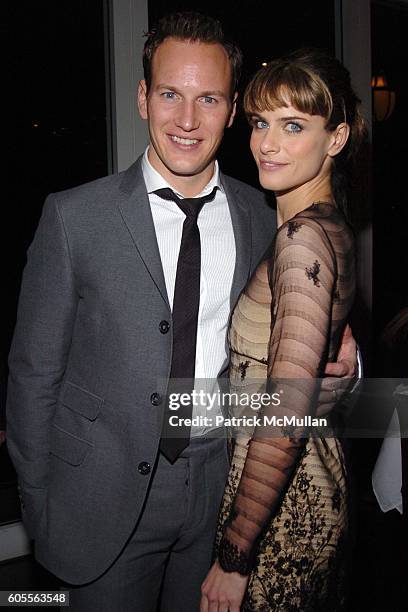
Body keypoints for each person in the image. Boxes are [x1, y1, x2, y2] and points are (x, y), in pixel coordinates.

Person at [6, 14, 358, 612]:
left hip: (219, 491)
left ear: (230, 110)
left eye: (210, 99)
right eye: (170, 94)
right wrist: (39, 505)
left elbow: (279, 354)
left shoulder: (262, 215)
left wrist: (342, 368)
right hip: (98, 497)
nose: (188, 120)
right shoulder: (74, 218)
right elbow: (32, 375)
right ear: (143, 98)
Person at [201, 49, 366, 611]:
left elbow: (286, 413)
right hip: (299, 480)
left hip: (285, 501)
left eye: (293, 126)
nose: (266, 143)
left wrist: (235, 556)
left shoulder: (302, 241)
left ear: (336, 138)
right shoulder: (328, 226)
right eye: (260, 122)